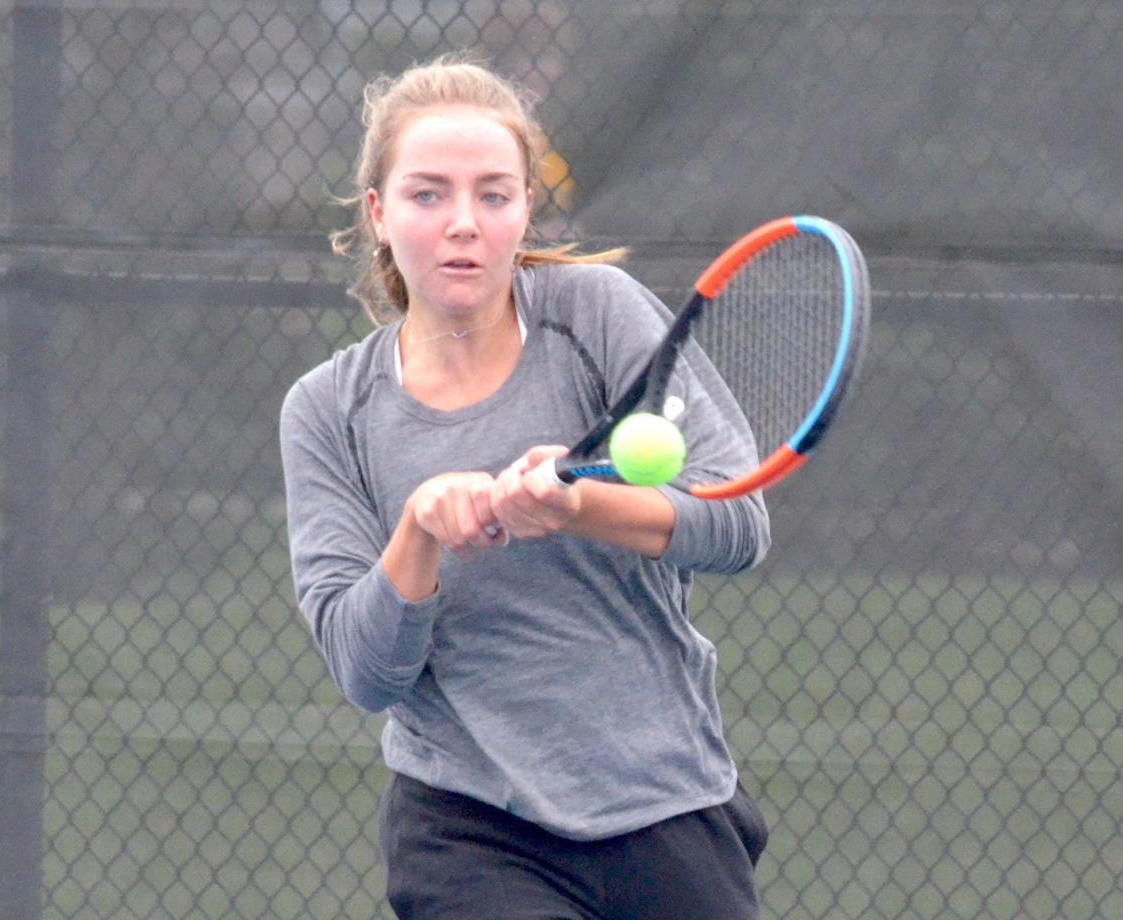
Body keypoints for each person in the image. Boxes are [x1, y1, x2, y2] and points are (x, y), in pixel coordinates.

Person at [280, 54, 771, 920]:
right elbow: (365, 674)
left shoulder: (598, 316)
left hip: (663, 799)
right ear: (378, 216)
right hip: (467, 830)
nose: (462, 223)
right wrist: (418, 531)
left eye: (493, 195)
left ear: (523, 211)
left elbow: (738, 521)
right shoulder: (328, 411)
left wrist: (580, 505)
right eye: (427, 194)